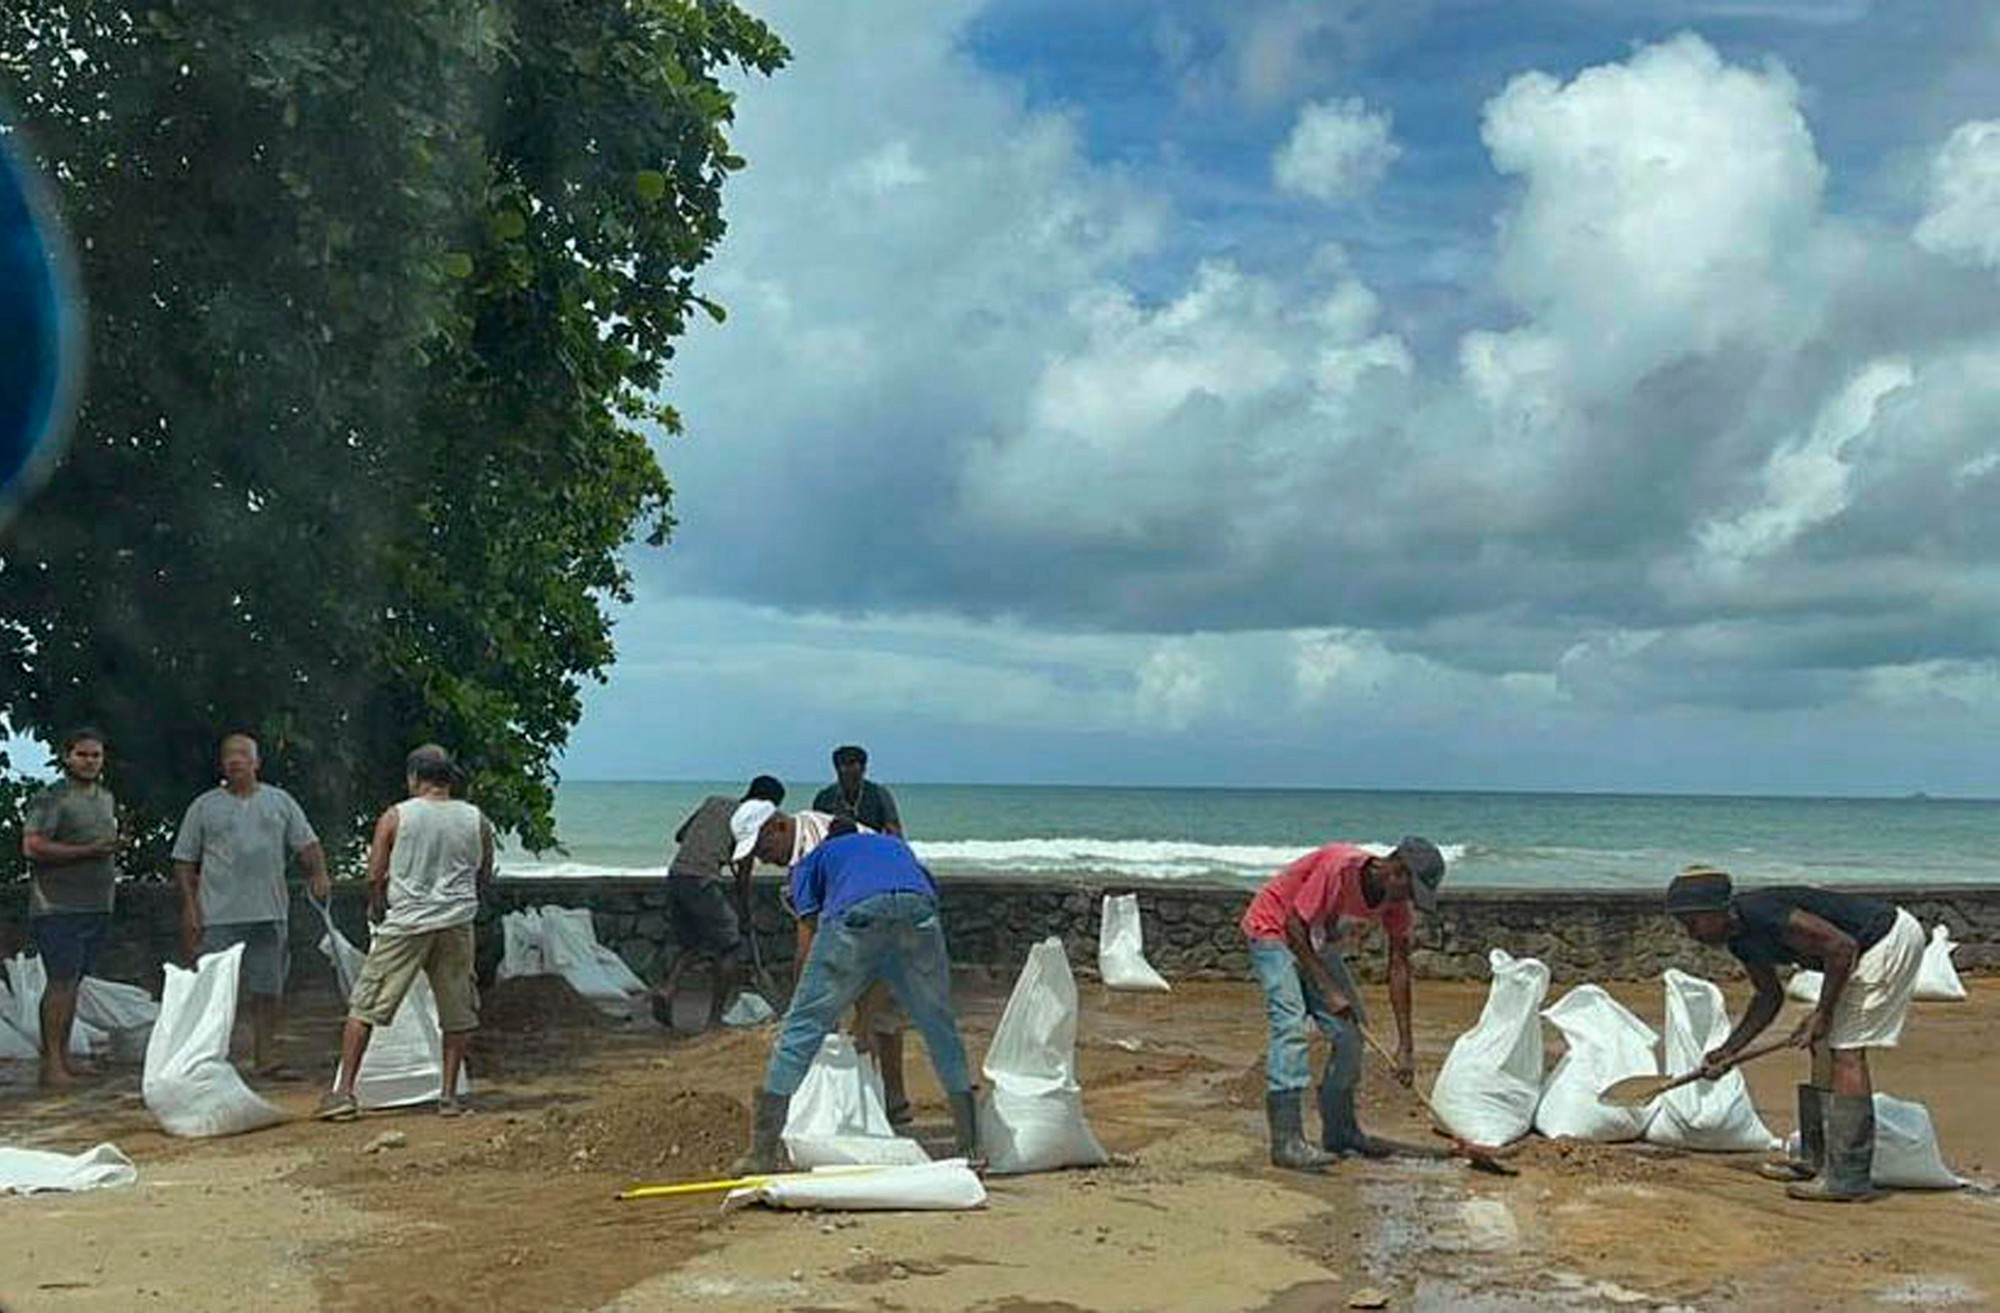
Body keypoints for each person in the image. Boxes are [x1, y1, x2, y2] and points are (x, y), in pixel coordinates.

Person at [1666, 866, 1925, 1203]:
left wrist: (1824, 1012)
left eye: (1694, 921)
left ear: (1719, 910)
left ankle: (1848, 1178)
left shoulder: (1763, 912)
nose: (1691, 933)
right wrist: (1730, 1049)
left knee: (1846, 1052)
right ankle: (1816, 1161)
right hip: (1856, 951)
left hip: (1886, 941)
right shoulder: (1740, 940)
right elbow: (1768, 996)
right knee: (1822, 1047)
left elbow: (1842, 947)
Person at [732, 829, 978, 1173]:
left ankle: (762, 1152)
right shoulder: (893, 846)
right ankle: (971, 1146)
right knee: (939, 1026)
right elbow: (890, 955)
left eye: (763, 848)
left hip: (857, 913)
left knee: (800, 1029)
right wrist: (865, 1017)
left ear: (781, 827)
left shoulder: (809, 862)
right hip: (918, 911)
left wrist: (808, 1003)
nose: (763, 859)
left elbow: (809, 939)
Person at [1241, 837, 1446, 1172]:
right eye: (1409, 890)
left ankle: (1341, 1131)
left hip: (1315, 937)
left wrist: (1405, 1045)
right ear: (1396, 869)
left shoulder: (1396, 902)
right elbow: (1293, 925)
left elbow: (1399, 965)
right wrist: (1329, 990)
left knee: (1351, 1032)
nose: (1408, 900)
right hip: (1274, 929)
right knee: (1291, 1026)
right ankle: (1287, 1141)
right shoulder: (1339, 866)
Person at [318, 745, 493, 1121]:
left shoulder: (397, 817)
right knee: (457, 1012)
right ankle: (448, 1096)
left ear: (414, 778)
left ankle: (345, 1094)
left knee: (365, 1005)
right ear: (449, 779)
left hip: (407, 923)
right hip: (456, 923)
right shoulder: (475, 819)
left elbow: (375, 872)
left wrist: (377, 904)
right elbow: (484, 873)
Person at [170, 733, 330, 1078]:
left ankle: (266, 1056)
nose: (235, 760)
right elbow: (184, 861)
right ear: (222, 764)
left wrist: (319, 874)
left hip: (268, 913)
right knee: (212, 991)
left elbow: (308, 843)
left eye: (243, 754)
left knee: (267, 989)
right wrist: (190, 906)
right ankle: (207, 1058)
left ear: (257, 763)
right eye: (228, 755)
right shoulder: (204, 806)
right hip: (217, 915)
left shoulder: (280, 801)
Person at [813, 746, 914, 1123]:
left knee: (882, 1019)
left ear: (864, 768)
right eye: (844, 765)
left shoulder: (878, 797)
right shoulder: (826, 801)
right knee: (848, 1020)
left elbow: (896, 835)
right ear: (837, 769)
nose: (851, 771)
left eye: (856, 765)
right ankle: (857, 1100)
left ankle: (895, 1099)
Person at [20, 727, 120, 1089]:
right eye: (82, 754)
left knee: (74, 983)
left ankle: (65, 1059)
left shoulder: (105, 798)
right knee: (60, 983)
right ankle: (51, 1065)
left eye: (96, 755)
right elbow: (32, 846)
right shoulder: (51, 798)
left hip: (97, 904)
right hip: (58, 906)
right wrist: (87, 852)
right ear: (67, 757)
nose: (90, 761)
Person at [652, 774, 785, 1029]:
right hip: (702, 880)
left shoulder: (714, 803)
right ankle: (714, 1018)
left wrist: (717, 843)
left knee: (691, 943)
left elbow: (681, 835)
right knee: (730, 948)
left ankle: (668, 988)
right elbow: (743, 878)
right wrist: (745, 916)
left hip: (677, 875)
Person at [812, 745, 902, 835]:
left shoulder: (879, 795)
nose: (843, 769)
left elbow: (894, 833)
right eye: (840, 764)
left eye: (850, 764)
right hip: (838, 847)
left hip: (869, 845)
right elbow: (816, 833)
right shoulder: (824, 798)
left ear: (863, 768)